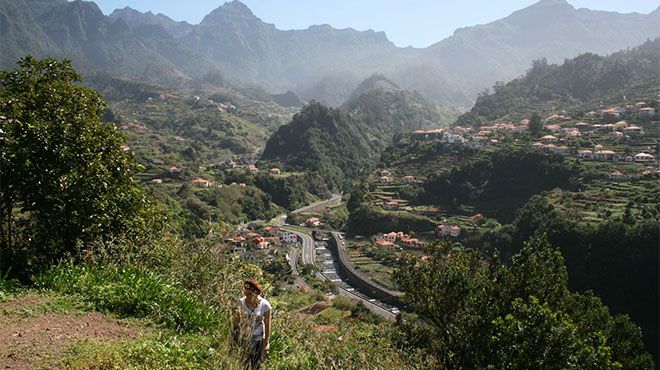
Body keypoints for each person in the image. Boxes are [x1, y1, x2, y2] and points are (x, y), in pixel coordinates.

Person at [232, 279, 272, 369]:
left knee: (255, 365)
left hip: (258, 339)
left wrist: (266, 343)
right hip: (243, 338)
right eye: (245, 294)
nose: (247, 296)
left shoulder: (265, 305)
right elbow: (235, 323)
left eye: (249, 294)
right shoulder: (241, 302)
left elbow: (267, 325)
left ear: (256, 293)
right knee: (242, 363)